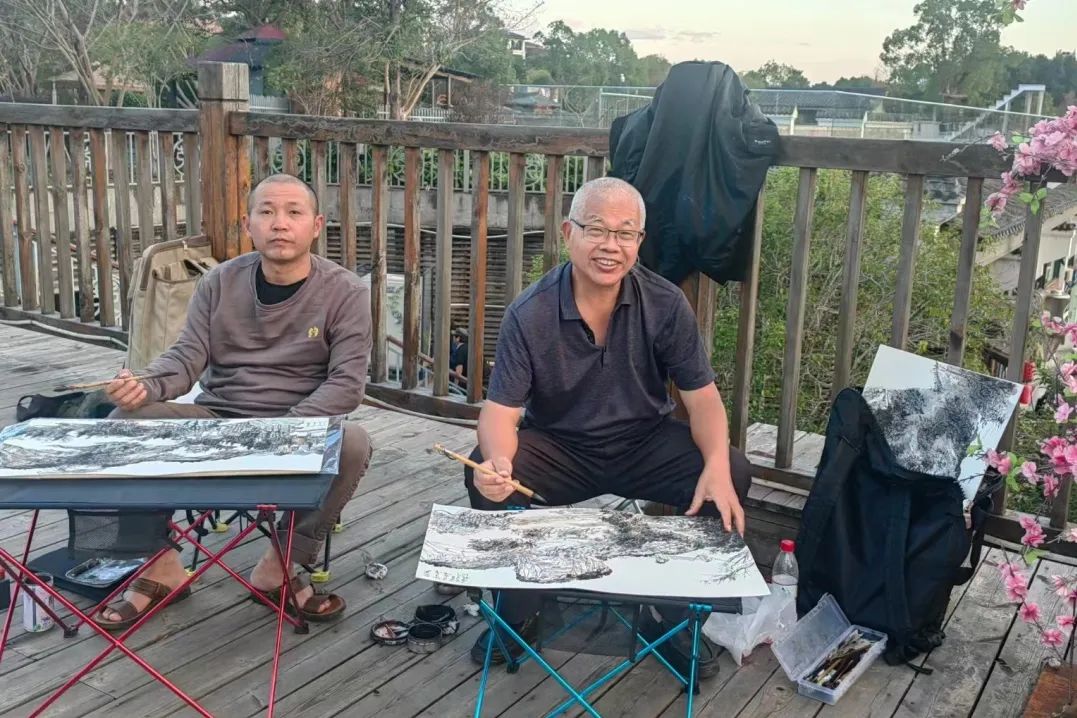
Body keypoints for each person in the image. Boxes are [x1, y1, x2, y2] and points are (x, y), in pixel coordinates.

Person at [464, 177, 752, 670]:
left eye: (625, 233)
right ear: (567, 233)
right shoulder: (529, 313)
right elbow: (501, 412)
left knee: (731, 470)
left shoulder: (664, 303)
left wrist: (717, 467)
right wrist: (499, 460)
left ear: (640, 241)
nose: (610, 246)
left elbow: (703, 399)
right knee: (482, 472)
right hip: (560, 446)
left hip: (644, 442)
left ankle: (676, 620)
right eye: (596, 229)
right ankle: (518, 615)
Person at [94, 173, 373, 630]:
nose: (279, 223)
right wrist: (144, 385)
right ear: (248, 225)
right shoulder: (219, 282)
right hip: (220, 416)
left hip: (296, 427)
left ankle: (279, 566)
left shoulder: (346, 291)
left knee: (354, 443)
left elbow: (346, 384)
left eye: (294, 212)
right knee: (124, 419)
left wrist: (283, 427)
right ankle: (160, 566)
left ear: (316, 225)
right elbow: (186, 358)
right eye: (266, 212)